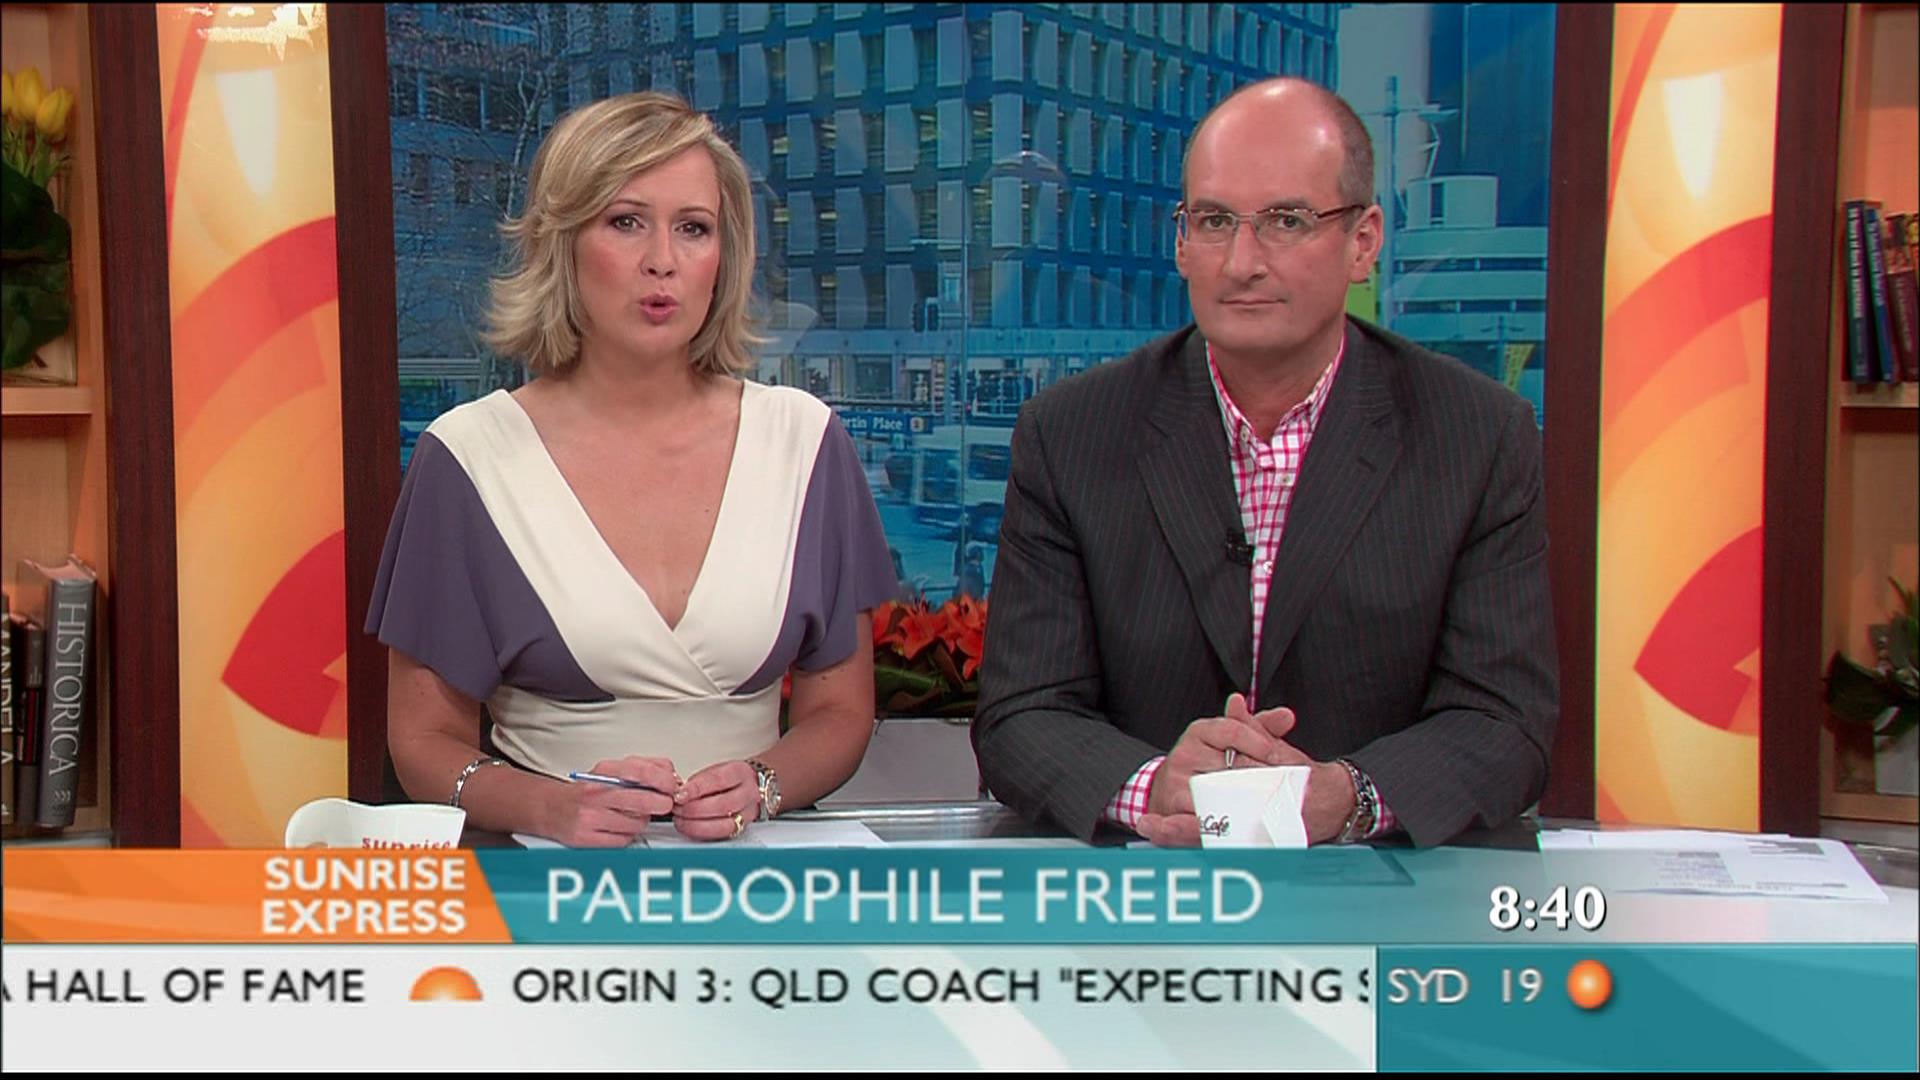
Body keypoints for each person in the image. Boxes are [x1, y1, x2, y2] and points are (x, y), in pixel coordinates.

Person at [973, 79, 1557, 848]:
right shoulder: (1071, 434)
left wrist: (1348, 795)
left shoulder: (1476, 436)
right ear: (1181, 243)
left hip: (1381, 892)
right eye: (1214, 221)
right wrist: (1156, 785)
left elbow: (1505, 722)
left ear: (1363, 242)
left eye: (1287, 221)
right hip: (1145, 892)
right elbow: (1021, 714)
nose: (1242, 262)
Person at [367, 93, 896, 846]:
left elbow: (840, 712)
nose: (663, 261)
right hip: (545, 875)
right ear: (562, 243)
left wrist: (763, 784)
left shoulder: (804, 443)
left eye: (694, 228)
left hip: (755, 875)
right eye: (625, 222)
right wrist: (549, 807)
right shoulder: (469, 458)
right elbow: (423, 742)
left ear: (724, 256)